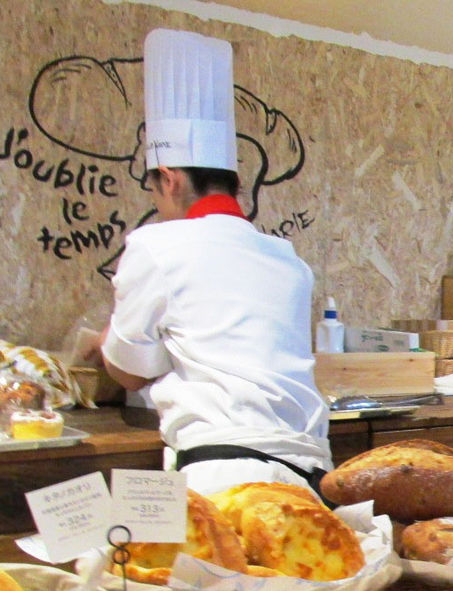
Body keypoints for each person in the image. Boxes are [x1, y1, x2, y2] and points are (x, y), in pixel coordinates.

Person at [99, 28, 331, 496]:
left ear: (169, 180)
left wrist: (102, 342)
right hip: (308, 477)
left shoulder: (155, 246)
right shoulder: (289, 261)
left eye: (153, 191)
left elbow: (129, 371)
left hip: (220, 477)